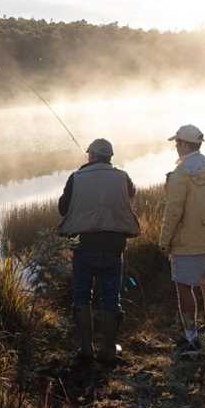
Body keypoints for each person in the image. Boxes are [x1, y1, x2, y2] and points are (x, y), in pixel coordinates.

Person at [58, 138, 140, 363]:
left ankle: (86, 349)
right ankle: (109, 350)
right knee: (111, 298)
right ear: (110, 156)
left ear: (92, 155)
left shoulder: (75, 178)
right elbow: (131, 196)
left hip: (84, 246)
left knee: (82, 296)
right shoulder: (123, 177)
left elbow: (62, 208)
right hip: (114, 247)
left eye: (89, 155)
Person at [159, 124, 205, 355]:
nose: (176, 147)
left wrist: (164, 241)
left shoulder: (180, 176)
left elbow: (173, 212)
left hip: (189, 243)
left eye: (177, 143)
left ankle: (191, 338)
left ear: (183, 144)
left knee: (184, 287)